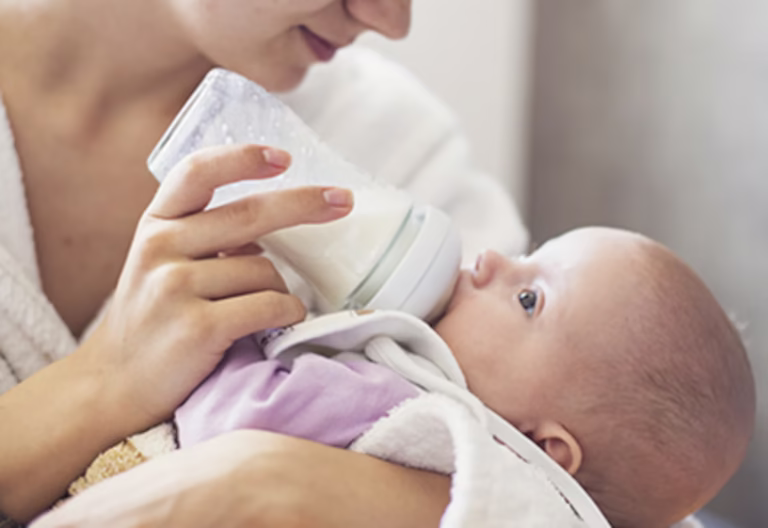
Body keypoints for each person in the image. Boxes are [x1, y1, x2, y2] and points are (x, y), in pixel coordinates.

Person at [0, 0, 528, 525]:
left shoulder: (391, 143)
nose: (389, 22)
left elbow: (560, 483)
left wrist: (272, 480)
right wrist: (103, 380)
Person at [56, 226, 755, 528]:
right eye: (524, 254)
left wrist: (240, 327)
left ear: (549, 451)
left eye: (529, 298)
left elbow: (225, 425)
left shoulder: (408, 412)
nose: (488, 261)